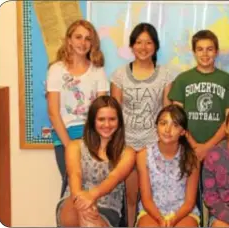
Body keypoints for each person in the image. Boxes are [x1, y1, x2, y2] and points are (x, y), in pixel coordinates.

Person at [110, 22, 175, 226]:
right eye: (138, 42)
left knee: (153, 197)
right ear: (132, 46)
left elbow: (167, 112)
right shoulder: (119, 74)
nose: (143, 47)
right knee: (131, 196)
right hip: (127, 144)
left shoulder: (165, 74)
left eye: (148, 42)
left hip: (154, 145)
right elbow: (114, 114)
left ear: (155, 46)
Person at [56, 95, 136, 227]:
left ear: (119, 121)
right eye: (101, 119)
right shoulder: (74, 146)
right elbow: (75, 174)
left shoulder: (128, 153)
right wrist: (81, 200)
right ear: (93, 121)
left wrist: (91, 197)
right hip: (73, 202)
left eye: (112, 119)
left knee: (89, 221)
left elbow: (113, 179)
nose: (107, 124)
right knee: (84, 212)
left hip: (107, 209)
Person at [46, 19, 109, 180]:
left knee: (93, 187)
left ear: (93, 43)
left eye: (88, 38)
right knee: (71, 186)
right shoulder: (56, 70)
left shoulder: (98, 70)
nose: (83, 42)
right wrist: (69, 146)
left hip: (92, 136)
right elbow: (53, 112)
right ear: (69, 40)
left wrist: (98, 143)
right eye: (78, 37)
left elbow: (102, 110)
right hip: (64, 135)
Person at [168, 29, 229, 162]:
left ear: (216, 52)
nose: (205, 54)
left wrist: (207, 147)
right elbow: (177, 118)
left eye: (209, 49)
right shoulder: (182, 79)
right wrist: (194, 145)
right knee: (190, 183)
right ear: (194, 52)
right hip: (188, 148)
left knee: (215, 183)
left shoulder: (226, 80)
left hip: (219, 149)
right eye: (200, 49)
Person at [136, 104, 200, 227]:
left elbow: (190, 202)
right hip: (152, 211)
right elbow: (146, 199)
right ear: (156, 126)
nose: (167, 129)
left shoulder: (192, 158)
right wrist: (160, 219)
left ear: (183, 132)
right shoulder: (143, 155)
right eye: (163, 123)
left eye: (175, 125)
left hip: (183, 213)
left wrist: (173, 220)